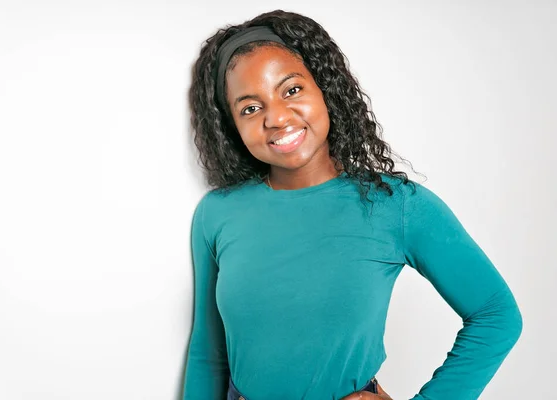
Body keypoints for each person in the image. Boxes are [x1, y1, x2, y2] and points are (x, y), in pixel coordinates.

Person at [182, 9, 523, 400]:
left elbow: (496, 315)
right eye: (250, 108)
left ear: (324, 89)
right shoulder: (217, 214)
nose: (276, 117)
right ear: (232, 127)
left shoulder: (397, 206)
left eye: (291, 90)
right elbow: (208, 355)